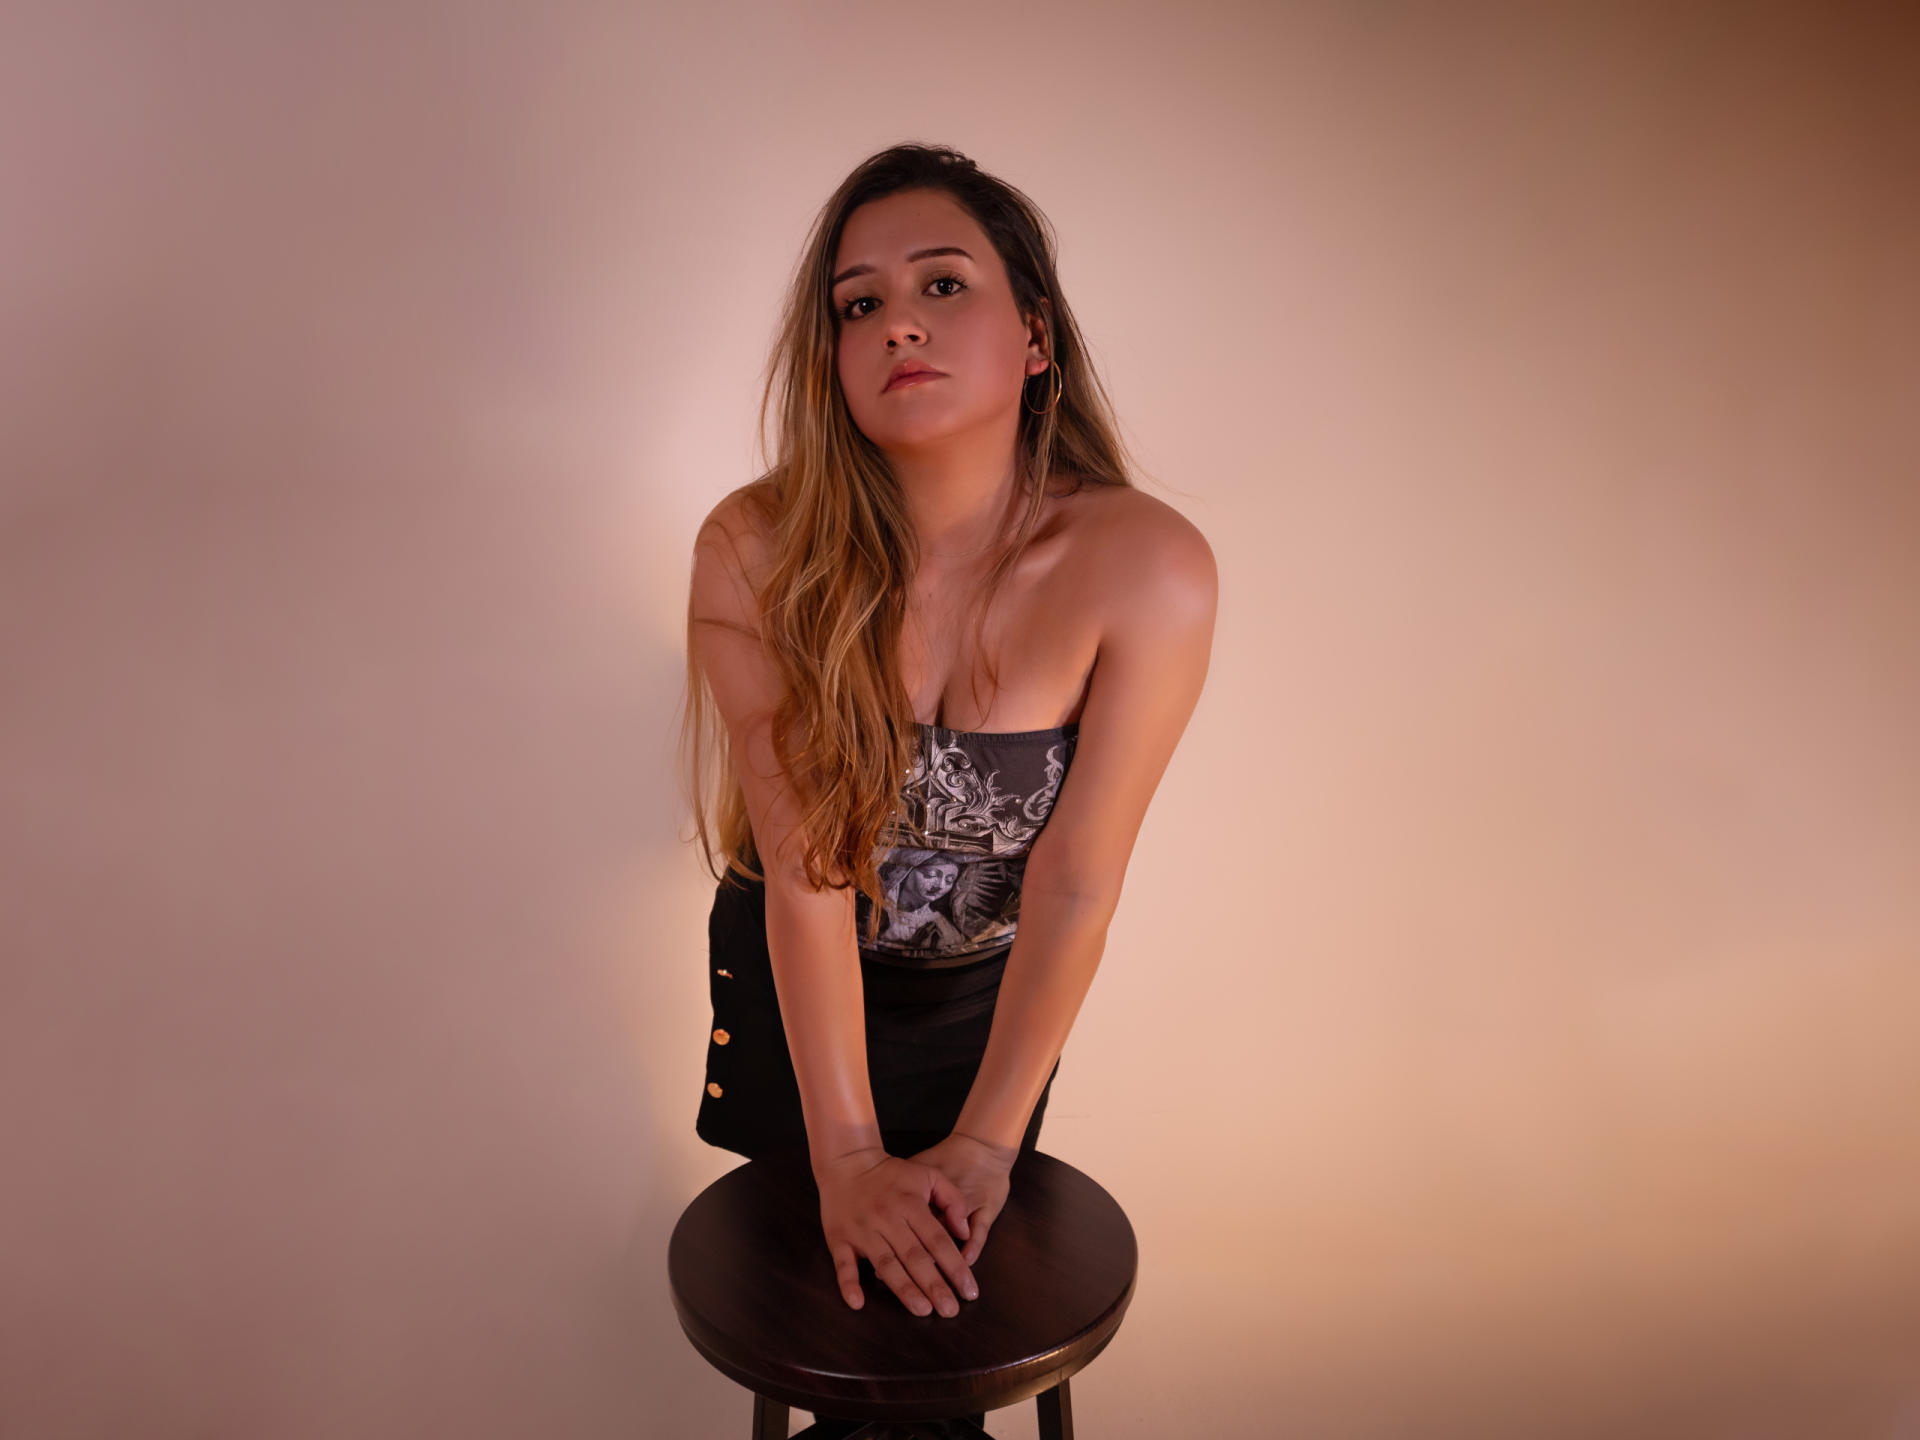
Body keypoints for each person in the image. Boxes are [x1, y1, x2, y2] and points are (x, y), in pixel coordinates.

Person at [677, 143, 1215, 1425]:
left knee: (944, 1331)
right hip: (796, 982)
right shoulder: (754, 546)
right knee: (837, 1322)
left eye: (944, 284)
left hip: (987, 1000)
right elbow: (807, 873)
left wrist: (982, 1141)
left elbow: (1076, 883)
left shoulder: (1146, 565)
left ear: (1036, 339)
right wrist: (846, 1153)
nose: (899, 322)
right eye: (858, 303)